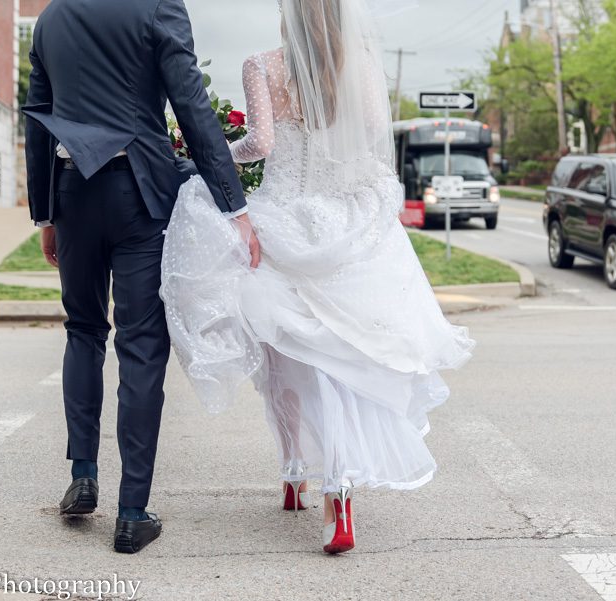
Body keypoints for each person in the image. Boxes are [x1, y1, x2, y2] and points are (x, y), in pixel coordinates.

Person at [160, 0, 474, 554]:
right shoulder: (363, 66)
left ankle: (292, 475)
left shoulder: (263, 65)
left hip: (286, 217)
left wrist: (211, 155)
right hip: (347, 220)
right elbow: (373, 133)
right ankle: (340, 496)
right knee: (340, 358)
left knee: (285, 354)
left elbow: (260, 145)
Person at [23, 0, 261, 554]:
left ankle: (83, 474)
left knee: (83, 330)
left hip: (72, 190)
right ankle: (132, 513)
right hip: (139, 194)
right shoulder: (158, 7)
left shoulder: (52, 17)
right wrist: (236, 207)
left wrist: (45, 212)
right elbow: (192, 106)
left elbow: (37, 114)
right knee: (140, 346)